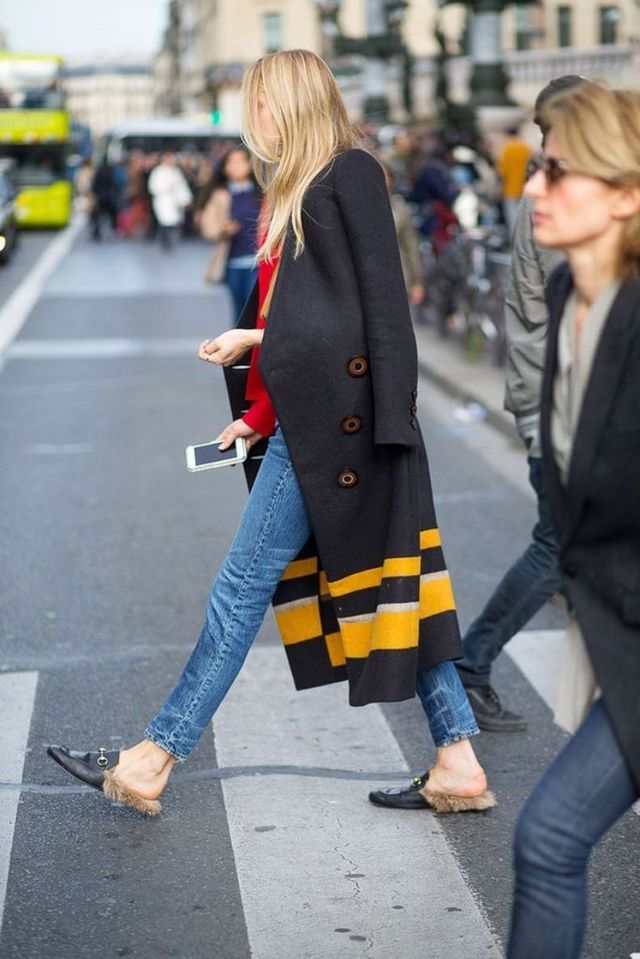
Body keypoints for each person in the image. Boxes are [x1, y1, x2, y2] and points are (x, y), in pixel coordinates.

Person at [47, 49, 495, 819]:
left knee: (244, 589)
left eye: (257, 102)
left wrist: (392, 428)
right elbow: (316, 322)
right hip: (319, 422)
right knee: (394, 586)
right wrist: (257, 394)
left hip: (344, 431)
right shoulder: (303, 183)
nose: (251, 119)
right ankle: (457, 758)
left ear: (285, 103)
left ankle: (152, 758)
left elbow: (383, 310)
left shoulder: (347, 173)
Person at [506, 83, 640, 958]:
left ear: (626, 195)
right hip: (617, 625)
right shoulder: (568, 292)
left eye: (558, 170)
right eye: (537, 164)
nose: (533, 187)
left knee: (550, 834)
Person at [454, 77, 585, 732]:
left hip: (556, 396)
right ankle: (471, 664)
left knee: (574, 549)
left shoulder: (553, 191)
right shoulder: (561, 201)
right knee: (557, 546)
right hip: (562, 403)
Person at [200, 146, 262, 319]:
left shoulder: (262, 192)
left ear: (250, 165)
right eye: (231, 163)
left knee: (255, 311)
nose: (236, 166)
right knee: (239, 312)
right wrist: (223, 229)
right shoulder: (220, 195)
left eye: (240, 162)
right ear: (224, 168)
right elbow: (208, 227)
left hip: (257, 263)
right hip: (232, 262)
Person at [383, 164, 425, 313]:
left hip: (398, 278)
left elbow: (411, 246)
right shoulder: (355, 208)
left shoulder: (400, 210)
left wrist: (417, 281)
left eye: (385, 176)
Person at [147, 152, 192, 251]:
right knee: (164, 222)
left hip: (174, 202)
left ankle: (170, 240)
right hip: (163, 201)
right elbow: (153, 187)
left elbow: (182, 186)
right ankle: (164, 240)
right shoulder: (158, 172)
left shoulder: (175, 171)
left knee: (173, 222)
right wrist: (166, 188)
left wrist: (186, 199)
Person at [497, 127, 532, 234]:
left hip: (509, 189)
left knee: (512, 216)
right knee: (525, 215)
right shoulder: (526, 148)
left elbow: (501, 172)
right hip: (525, 188)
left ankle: (514, 237)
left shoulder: (506, 149)